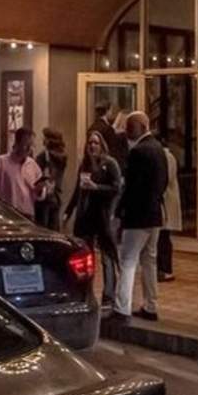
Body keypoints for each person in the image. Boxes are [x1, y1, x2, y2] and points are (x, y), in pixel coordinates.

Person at [109, 111, 168, 325]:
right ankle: (151, 305)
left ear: (143, 126)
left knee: (128, 261)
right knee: (149, 261)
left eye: (130, 127)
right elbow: (164, 181)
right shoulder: (159, 149)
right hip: (155, 213)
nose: (126, 132)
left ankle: (121, 308)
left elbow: (131, 188)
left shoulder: (138, 152)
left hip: (138, 216)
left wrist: (119, 213)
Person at [64, 130, 121, 304]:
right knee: (84, 254)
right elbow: (77, 190)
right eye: (90, 143)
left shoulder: (110, 164)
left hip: (102, 215)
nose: (92, 146)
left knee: (107, 256)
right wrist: (69, 210)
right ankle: (85, 291)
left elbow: (116, 188)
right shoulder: (85, 165)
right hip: (85, 216)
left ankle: (109, 293)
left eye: (95, 143)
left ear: (102, 145)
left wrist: (96, 187)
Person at [0, 127, 47, 219]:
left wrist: (40, 190)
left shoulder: (32, 165)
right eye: (26, 144)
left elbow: (39, 195)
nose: (29, 149)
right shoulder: (0, 163)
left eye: (32, 145)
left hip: (28, 215)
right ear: (17, 143)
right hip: (6, 214)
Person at [157, 138, 182, 282]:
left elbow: (167, 178)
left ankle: (165, 269)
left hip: (166, 200)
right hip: (164, 200)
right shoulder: (166, 156)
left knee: (164, 237)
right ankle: (162, 268)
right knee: (162, 237)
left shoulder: (167, 158)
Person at [35, 128, 68, 230]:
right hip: (56, 196)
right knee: (54, 228)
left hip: (44, 197)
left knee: (42, 228)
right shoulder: (63, 156)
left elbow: (37, 175)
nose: (42, 139)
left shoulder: (43, 156)